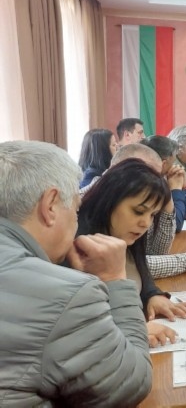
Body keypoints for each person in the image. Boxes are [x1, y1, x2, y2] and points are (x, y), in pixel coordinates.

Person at [0, 140, 152, 405]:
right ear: (50, 206)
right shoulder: (65, 296)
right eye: (75, 208)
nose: (77, 219)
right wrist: (114, 280)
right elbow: (131, 383)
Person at [76, 158, 186, 345]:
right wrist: (132, 329)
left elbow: (138, 267)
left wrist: (151, 294)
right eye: (138, 211)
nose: (145, 223)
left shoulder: (124, 233)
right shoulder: (80, 246)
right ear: (110, 200)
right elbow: (76, 325)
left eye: (152, 214)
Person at [111, 142, 186, 279]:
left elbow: (157, 252)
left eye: (157, 177)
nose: (145, 223)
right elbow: (129, 266)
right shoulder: (103, 203)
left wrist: (168, 195)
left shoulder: (142, 202)